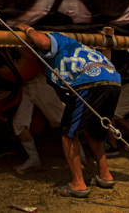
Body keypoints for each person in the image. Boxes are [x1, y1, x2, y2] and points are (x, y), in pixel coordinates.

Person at [15, 22, 122, 199]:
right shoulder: (82, 48)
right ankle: (105, 175)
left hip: (89, 80)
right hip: (112, 80)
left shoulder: (59, 39)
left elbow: (42, 41)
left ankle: (78, 184)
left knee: (68, 133)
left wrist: (27, 29)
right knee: (94, 132)